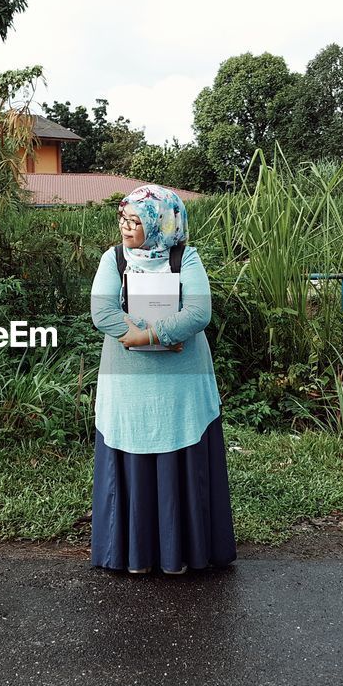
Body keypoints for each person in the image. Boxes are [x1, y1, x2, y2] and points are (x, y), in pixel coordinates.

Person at [88, 184, 237, 575]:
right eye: (123, 218)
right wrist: (156, 337)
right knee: (131, 450)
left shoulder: (185, 257)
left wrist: (149, 335)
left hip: (181, 383)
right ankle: (131, 555)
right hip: (128, 383)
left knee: (180, 450)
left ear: (161, 223)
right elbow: (102, 312)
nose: (126, 227)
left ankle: (181, 553)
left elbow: (199, 312)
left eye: (136, 221)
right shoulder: (113, 258)